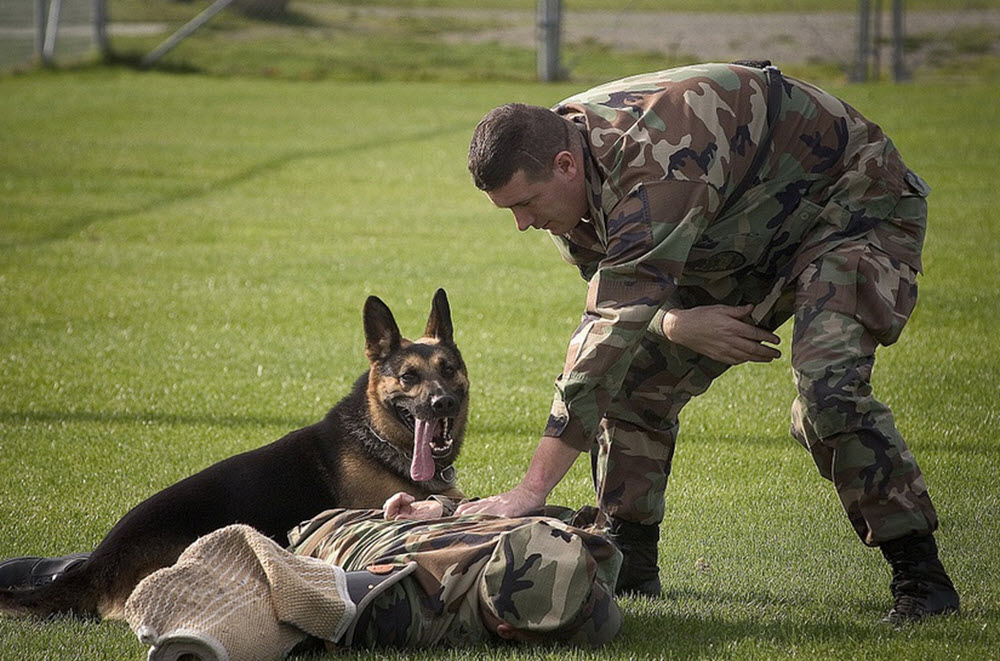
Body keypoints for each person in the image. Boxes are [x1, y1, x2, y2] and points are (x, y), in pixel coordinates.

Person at [460, 61, 959, 624]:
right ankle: (630, 564)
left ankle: (922, 580)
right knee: (634, 385)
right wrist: (675, 323)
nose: (523, 224)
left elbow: (604, 334)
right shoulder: (569, 189)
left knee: (829, 391)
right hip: (740, 235)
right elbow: (620, 294)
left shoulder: (655, 158)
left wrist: (530, 490)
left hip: (853, 210)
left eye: (525, 204)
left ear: (565, 164)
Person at [123, 494, 623, 660]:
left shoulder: (405, 610)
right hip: (366, 521)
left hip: (322, 536)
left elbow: (303, 605)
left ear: (508, 632)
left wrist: (205, 640)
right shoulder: (574, 553)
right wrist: (441, 507)